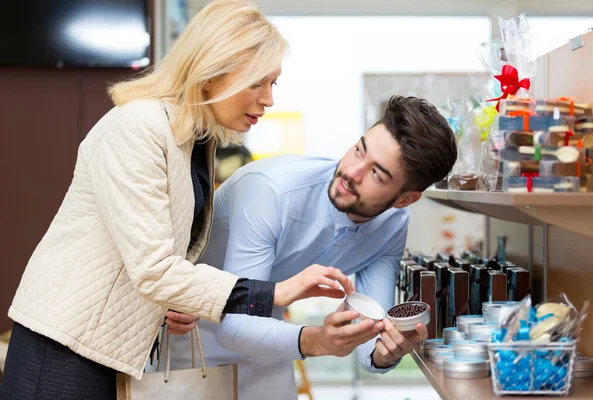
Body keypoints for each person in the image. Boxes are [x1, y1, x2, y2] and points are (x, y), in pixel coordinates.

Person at [0, 1, 353, 399]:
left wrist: (175, 302)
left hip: (103, 346)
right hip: (64, 344)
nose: (269, 99)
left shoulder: (194, 141)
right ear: (213, 70)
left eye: (274, 83)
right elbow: (153, 268)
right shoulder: (138, 128)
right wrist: (276, 292)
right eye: (258, 82)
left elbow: (149, 258)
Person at [165, 95, 459, 400]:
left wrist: (386, 352)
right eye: (359, 150)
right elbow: (234, 326)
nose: (352, 173)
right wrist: (316, 340)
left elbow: (372, 334)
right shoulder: (271, 190)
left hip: (271, 341)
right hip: (192, 336)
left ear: (404, 199)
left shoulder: (393, 223)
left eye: (376, 173)